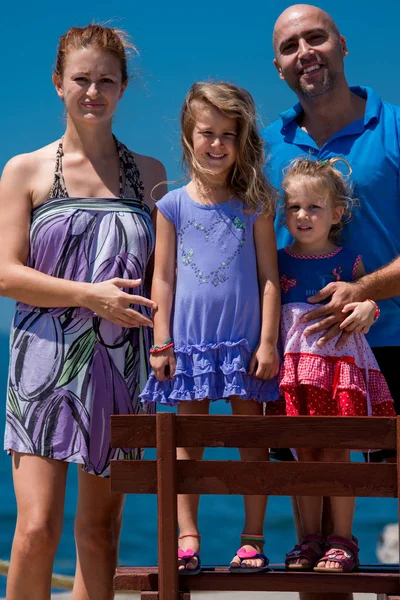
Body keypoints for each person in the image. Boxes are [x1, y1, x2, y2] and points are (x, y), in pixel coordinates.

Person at [0, 24, 166, 600]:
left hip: (122, 371)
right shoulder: (25, 170)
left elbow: (164, 279)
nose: (93, 91)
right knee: (36, 530)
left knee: (99, 533)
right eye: (81, 79)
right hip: (41, 368)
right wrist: (87, 295)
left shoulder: (149, 174)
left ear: (121, 89)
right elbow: (5, 273)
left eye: (106, 81)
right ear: (57, 83)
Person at [264, 5, 400, 599]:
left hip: (392, 344)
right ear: (279, 66)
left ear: (342, 45)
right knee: (316, 542)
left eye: (315, 38)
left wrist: (366, 290)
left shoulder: (393, 130)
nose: (305, 52)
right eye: (291, 46)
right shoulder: (264, 143)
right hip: (302, 360)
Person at [139, 81, 280, 573]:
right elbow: (162, 277)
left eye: (228, 134)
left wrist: (267, 342)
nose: (216, 143)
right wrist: (161, 341)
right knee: (187, 444)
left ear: (241, 141)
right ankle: (188, 538)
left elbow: (268, 278)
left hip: (244, 347)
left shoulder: (256, 204)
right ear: (187, 136)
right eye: (207, 132)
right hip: (190, 346)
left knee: (251, 440)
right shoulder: (171, 205)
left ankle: (253, 539)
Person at [277, 156, 395, 573]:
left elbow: (367, 304)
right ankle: (309, 538)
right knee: (302, 452)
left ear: (337, 213)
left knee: (339, 451)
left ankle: (342, 539)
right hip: (294, 375)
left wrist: (368, 309)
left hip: (340, 370)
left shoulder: (350, 261)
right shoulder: (277, 260)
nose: (303, 216)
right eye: (293, 207)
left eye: (314, 207)